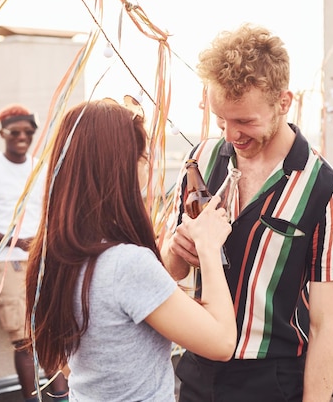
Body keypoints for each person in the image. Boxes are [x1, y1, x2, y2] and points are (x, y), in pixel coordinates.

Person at [161, 24, 333, 402]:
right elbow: (170, 271)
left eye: (245, 121)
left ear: (285, 102)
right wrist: (175, 249)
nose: (231, 135)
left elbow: (327, 325)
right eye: (221, 121)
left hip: (273, 381)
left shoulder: (327, 191)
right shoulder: (199, 160)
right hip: (196, 371)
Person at [25, 100, 237, 402]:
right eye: (143, 156)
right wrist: (209, 247)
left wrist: (173, 256)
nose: (148, 164)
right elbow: (222, 342)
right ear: (121, 166)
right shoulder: (126, 264)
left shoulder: (61, 252)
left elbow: (118, 309)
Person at [0, 104, 68, 401]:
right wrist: (17, 242)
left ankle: (62, 397)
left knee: (52, 334)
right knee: (26, 340)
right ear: (3, 133)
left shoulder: (40, 167)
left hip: (42, 259)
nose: (22, 137)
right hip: (8, 261)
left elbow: (50, 213)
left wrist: (42, 244)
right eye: (15, 132)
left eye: (28, 131)